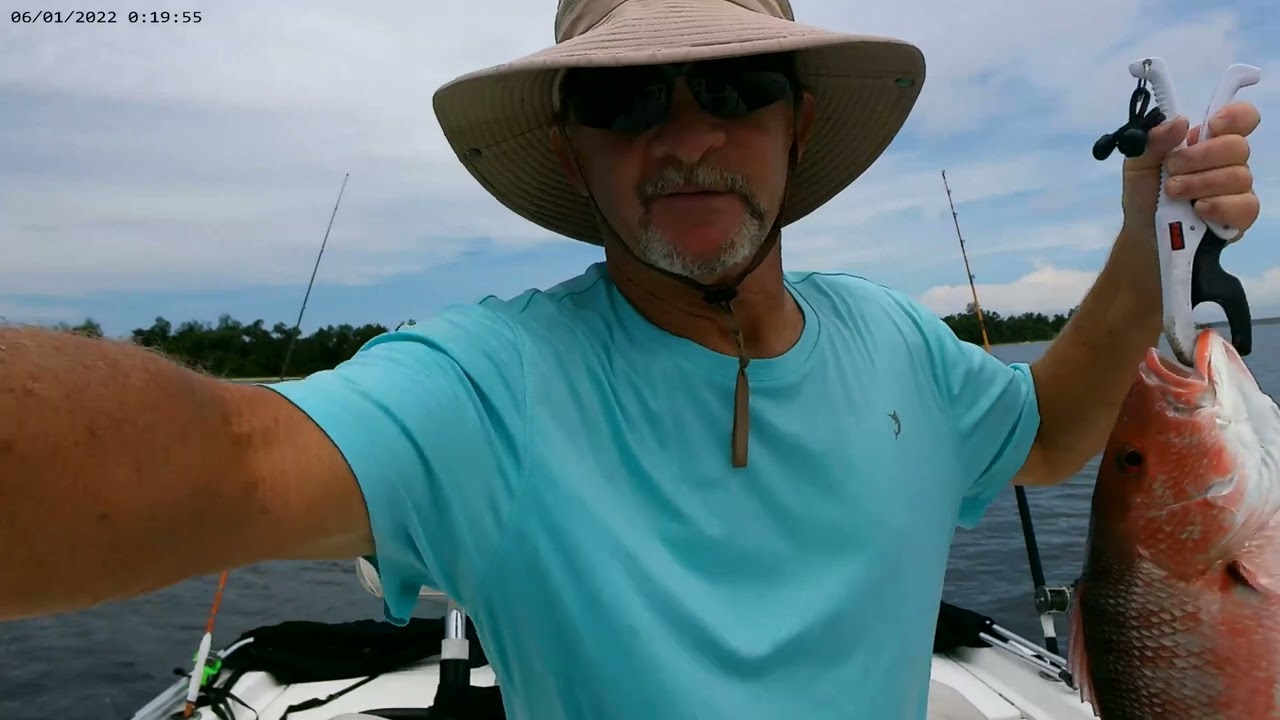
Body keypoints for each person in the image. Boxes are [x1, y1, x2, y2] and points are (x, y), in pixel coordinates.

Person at [0, 0, 1263, 718]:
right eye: (625, 101)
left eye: (736, 87)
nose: (685, 138)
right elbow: (223, 456)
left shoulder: (894, 342)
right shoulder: (480, 389)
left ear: (796, 118)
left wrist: (1137, 226)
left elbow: (1048, 430)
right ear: (570, 147)